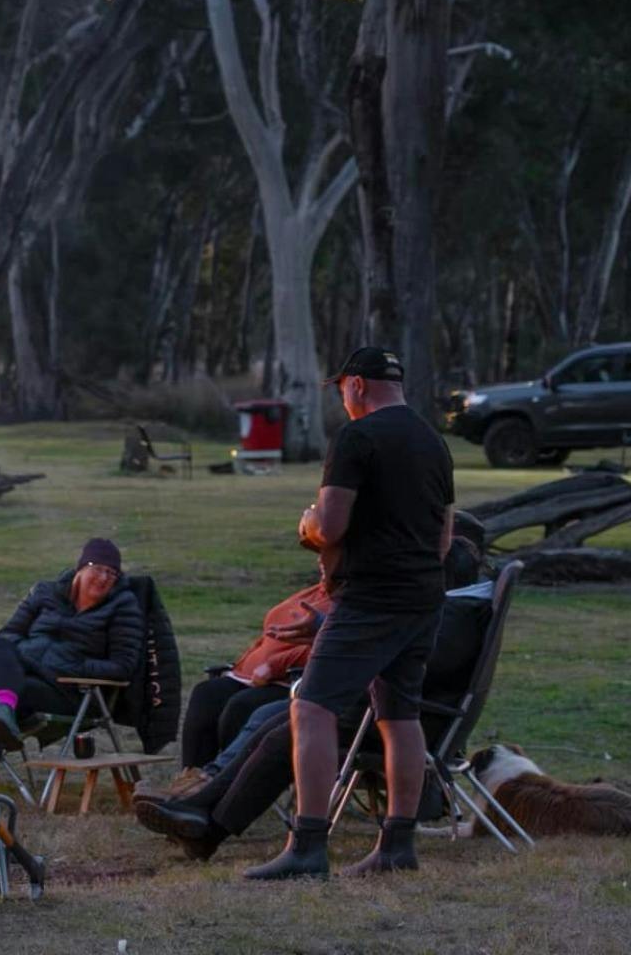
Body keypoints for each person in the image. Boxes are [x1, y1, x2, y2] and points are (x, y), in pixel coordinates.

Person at [135, 537, 491, 861]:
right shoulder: (456, 612)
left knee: (285, 733)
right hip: (383, 713)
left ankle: (206, 825)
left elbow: (397, 663)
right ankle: (199, 812)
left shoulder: (452, 619)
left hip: (392, 722)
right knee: (277, 721)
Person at [246, 345, 455, 880]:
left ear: (357, 385)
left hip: (369, 597)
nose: (343, 399)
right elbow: (444, 538)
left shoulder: (357, 438)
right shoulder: (433, 442)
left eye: (343, 389)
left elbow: (331, 526)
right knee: (399, 715)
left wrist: (306, 525)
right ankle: (397, 846)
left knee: (311, 706)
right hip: (423, 592)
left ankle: (309, 845)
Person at [0, 538, 144, 796]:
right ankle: (3, 709)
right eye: (98, 568)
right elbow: (9, 633)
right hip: (19, 675)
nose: (104, 578)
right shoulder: (46, 592)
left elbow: (123, 666)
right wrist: (30, 654)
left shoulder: (123, 607)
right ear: (81, 568)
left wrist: (75, 666)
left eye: (112, 573)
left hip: (68, 692)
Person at [169, 558, 335, 790]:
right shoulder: (311, 592)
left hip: (290, 682)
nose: (322, 562)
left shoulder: (346, 603)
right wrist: (245, 661)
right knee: (207, 693)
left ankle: (226, 784)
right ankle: (190, 779)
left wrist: (275, 664)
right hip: (249, 676)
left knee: (241, 706)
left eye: (329, 558)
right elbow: (270, 633)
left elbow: (331, 647)